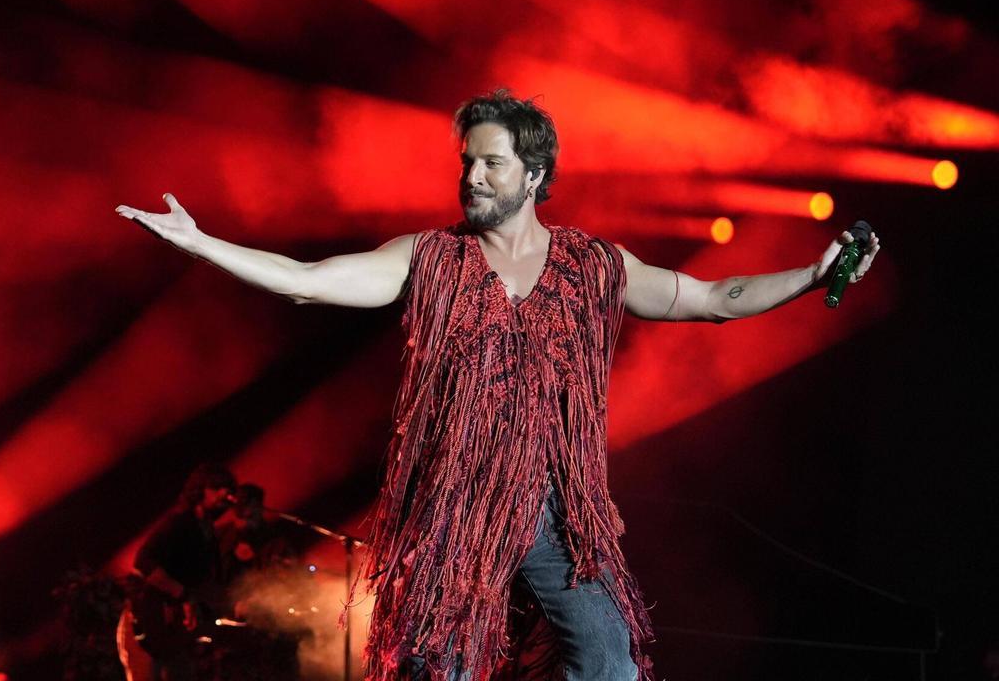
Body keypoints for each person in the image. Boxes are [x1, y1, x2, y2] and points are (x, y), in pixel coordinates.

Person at [115, 90, 881, 681]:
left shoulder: (592, 265)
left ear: (535, 175)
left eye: (491, 165)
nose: (471, 178)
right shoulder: (430, 257)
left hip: (556, 510)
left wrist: (812, 276)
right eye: (467, 164)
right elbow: (309, 282)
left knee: (609, 663)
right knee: (434, 667)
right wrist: (203, 243)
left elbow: (713, 299)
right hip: (455, 506)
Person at [120, 464, 236, 680]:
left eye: (228, 488)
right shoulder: (179, 522)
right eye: (216, 487)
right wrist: (182, 595)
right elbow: (144, 561)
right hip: (151, 620)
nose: (224, 493)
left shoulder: (208, 531)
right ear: (199, 490)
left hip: (176, 631)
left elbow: (206, 581)